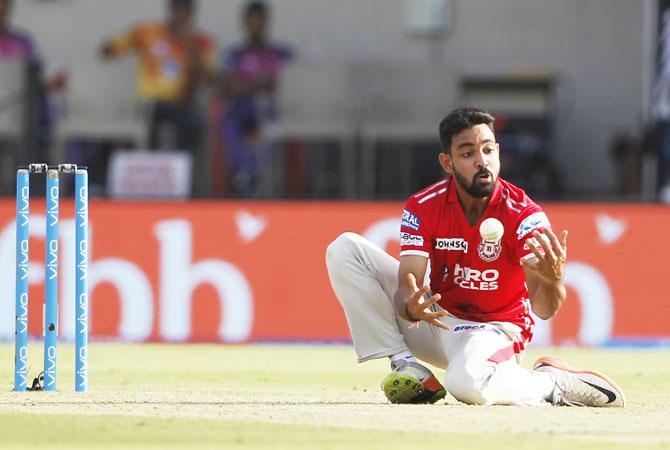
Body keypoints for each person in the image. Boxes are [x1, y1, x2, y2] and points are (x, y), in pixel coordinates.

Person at [326, 107, 625, 407]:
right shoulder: (423, 206)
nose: (482, 161)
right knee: (345, 249)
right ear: (447, 162)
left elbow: (544, 310)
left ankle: (550, 382)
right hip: (438, 322)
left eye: (488, 150)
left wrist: (554, 279)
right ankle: (405, 365)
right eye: (468, 153)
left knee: (466, 386)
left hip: (493, 330)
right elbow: (408, 287)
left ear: (498, 152)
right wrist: (410, 306)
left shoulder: (524, 215)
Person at [100, 0, 216, 154]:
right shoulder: (149, 31)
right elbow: (109, 50)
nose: (180, 13)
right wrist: (112, 48)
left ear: (191, 12)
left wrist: (190, 45)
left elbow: (210, 79)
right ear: (170, 9)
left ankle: (179, 168)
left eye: (185, 8)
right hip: (149, 102)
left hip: (183, 102)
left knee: (194, 122)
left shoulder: (202, 41)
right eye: (177, 7)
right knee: (143, 123)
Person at [217, 0, 292, 195]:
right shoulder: (234, 55)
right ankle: (245, 173)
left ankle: (258, 177)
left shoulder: (280, 54)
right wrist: (260, 84)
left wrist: (247, 84)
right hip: (242, 108)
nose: (256, 24)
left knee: (271, 126)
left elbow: (282, 85)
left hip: (269, 109)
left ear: (267, 22)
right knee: (227, 121)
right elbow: (228, 86)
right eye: (252, 19)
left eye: (260, 19)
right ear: (244, 23)